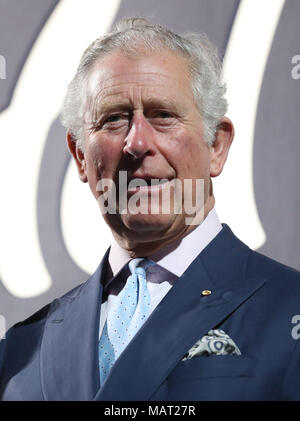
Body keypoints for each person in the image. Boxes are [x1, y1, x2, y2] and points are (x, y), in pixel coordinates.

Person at [1, 17, 300, 401]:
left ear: (216, 146)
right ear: (79, 156)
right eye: (113, 119)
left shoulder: (288, 311)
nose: (137, 142)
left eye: (163, 115)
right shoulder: (21, 350)